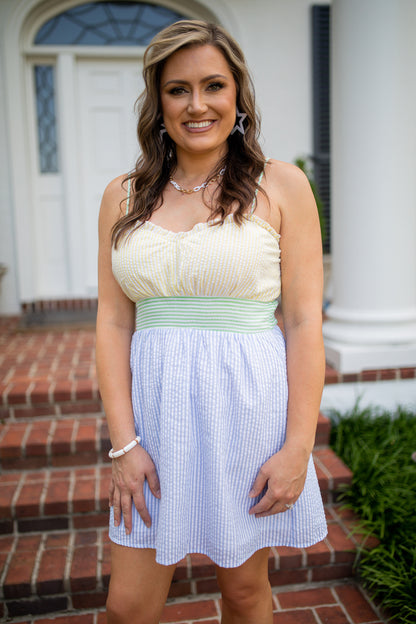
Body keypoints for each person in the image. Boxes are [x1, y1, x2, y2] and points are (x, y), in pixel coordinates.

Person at [96, 19, 327, 624]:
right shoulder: (122, 195)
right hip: (152, 415)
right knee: (127, 607)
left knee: (245, 592)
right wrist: (124, 443)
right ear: (159, 101)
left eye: (213, 86)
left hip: (247, 411)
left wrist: (298, 447)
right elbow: (113, 324)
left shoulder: (282, 186)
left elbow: (303, 323)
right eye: (178, 89)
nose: (197, 105)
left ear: (238, 96)